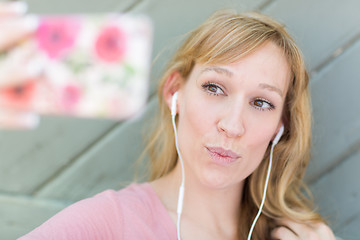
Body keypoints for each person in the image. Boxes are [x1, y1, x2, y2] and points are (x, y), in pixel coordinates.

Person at [17, 7, 338, 240]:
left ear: (280, 127)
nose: (232, 125)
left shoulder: (299, 238)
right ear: (175, 92)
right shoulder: (108, 224)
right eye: (214, 88)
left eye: (261, 103)